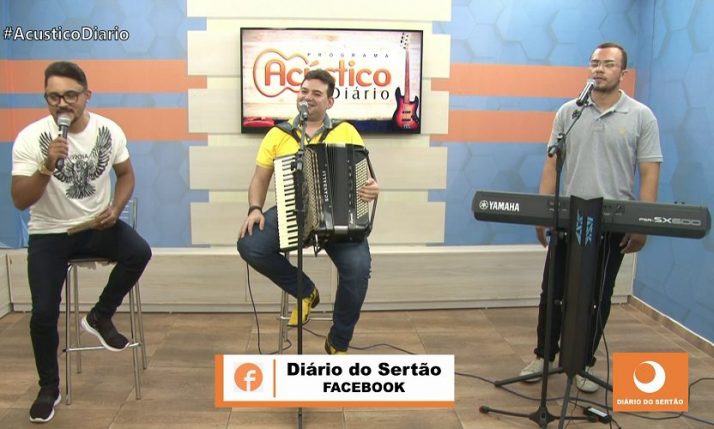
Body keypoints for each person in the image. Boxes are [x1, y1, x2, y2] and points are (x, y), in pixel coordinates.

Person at [10, 61, 152, 423]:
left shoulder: (108, 130)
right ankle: (49, 388)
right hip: (49, 233)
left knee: (139, 252)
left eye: (70, 95)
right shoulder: (30, 137)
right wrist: (46, 166)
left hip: (95, 225)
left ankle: (100, 315)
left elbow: (126, 174)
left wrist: (116, 208)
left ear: (87, 95)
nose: (62, 103)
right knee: (43, 314)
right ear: (46, 98)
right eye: (53, 97)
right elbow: (20, 200)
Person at [519, 42, 662, 393]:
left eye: (608, 64)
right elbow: (552, 163)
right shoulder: (569, 113)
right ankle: (544, 356)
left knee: (597, 296)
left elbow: (649, 171)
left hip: (611, 223)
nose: (599, 69)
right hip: (569, 219)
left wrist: (641, 224)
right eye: (595, 63)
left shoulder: (641, 116)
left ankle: (583, 363)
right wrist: (542, 213)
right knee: (553, 291)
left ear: (623, 73)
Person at [237, 69, 379, 355]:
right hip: (293, 212)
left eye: (316, 93)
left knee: (358, 269)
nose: (308, 97)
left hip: (339, 220)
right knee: (250, 244)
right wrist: (255, 209)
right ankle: (305, 291)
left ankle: (338, 341)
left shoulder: (346, 131)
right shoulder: (278, 134)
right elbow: (260, 178)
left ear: (330, 102)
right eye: (304, 91)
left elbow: (364, 177)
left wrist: (372, 188)